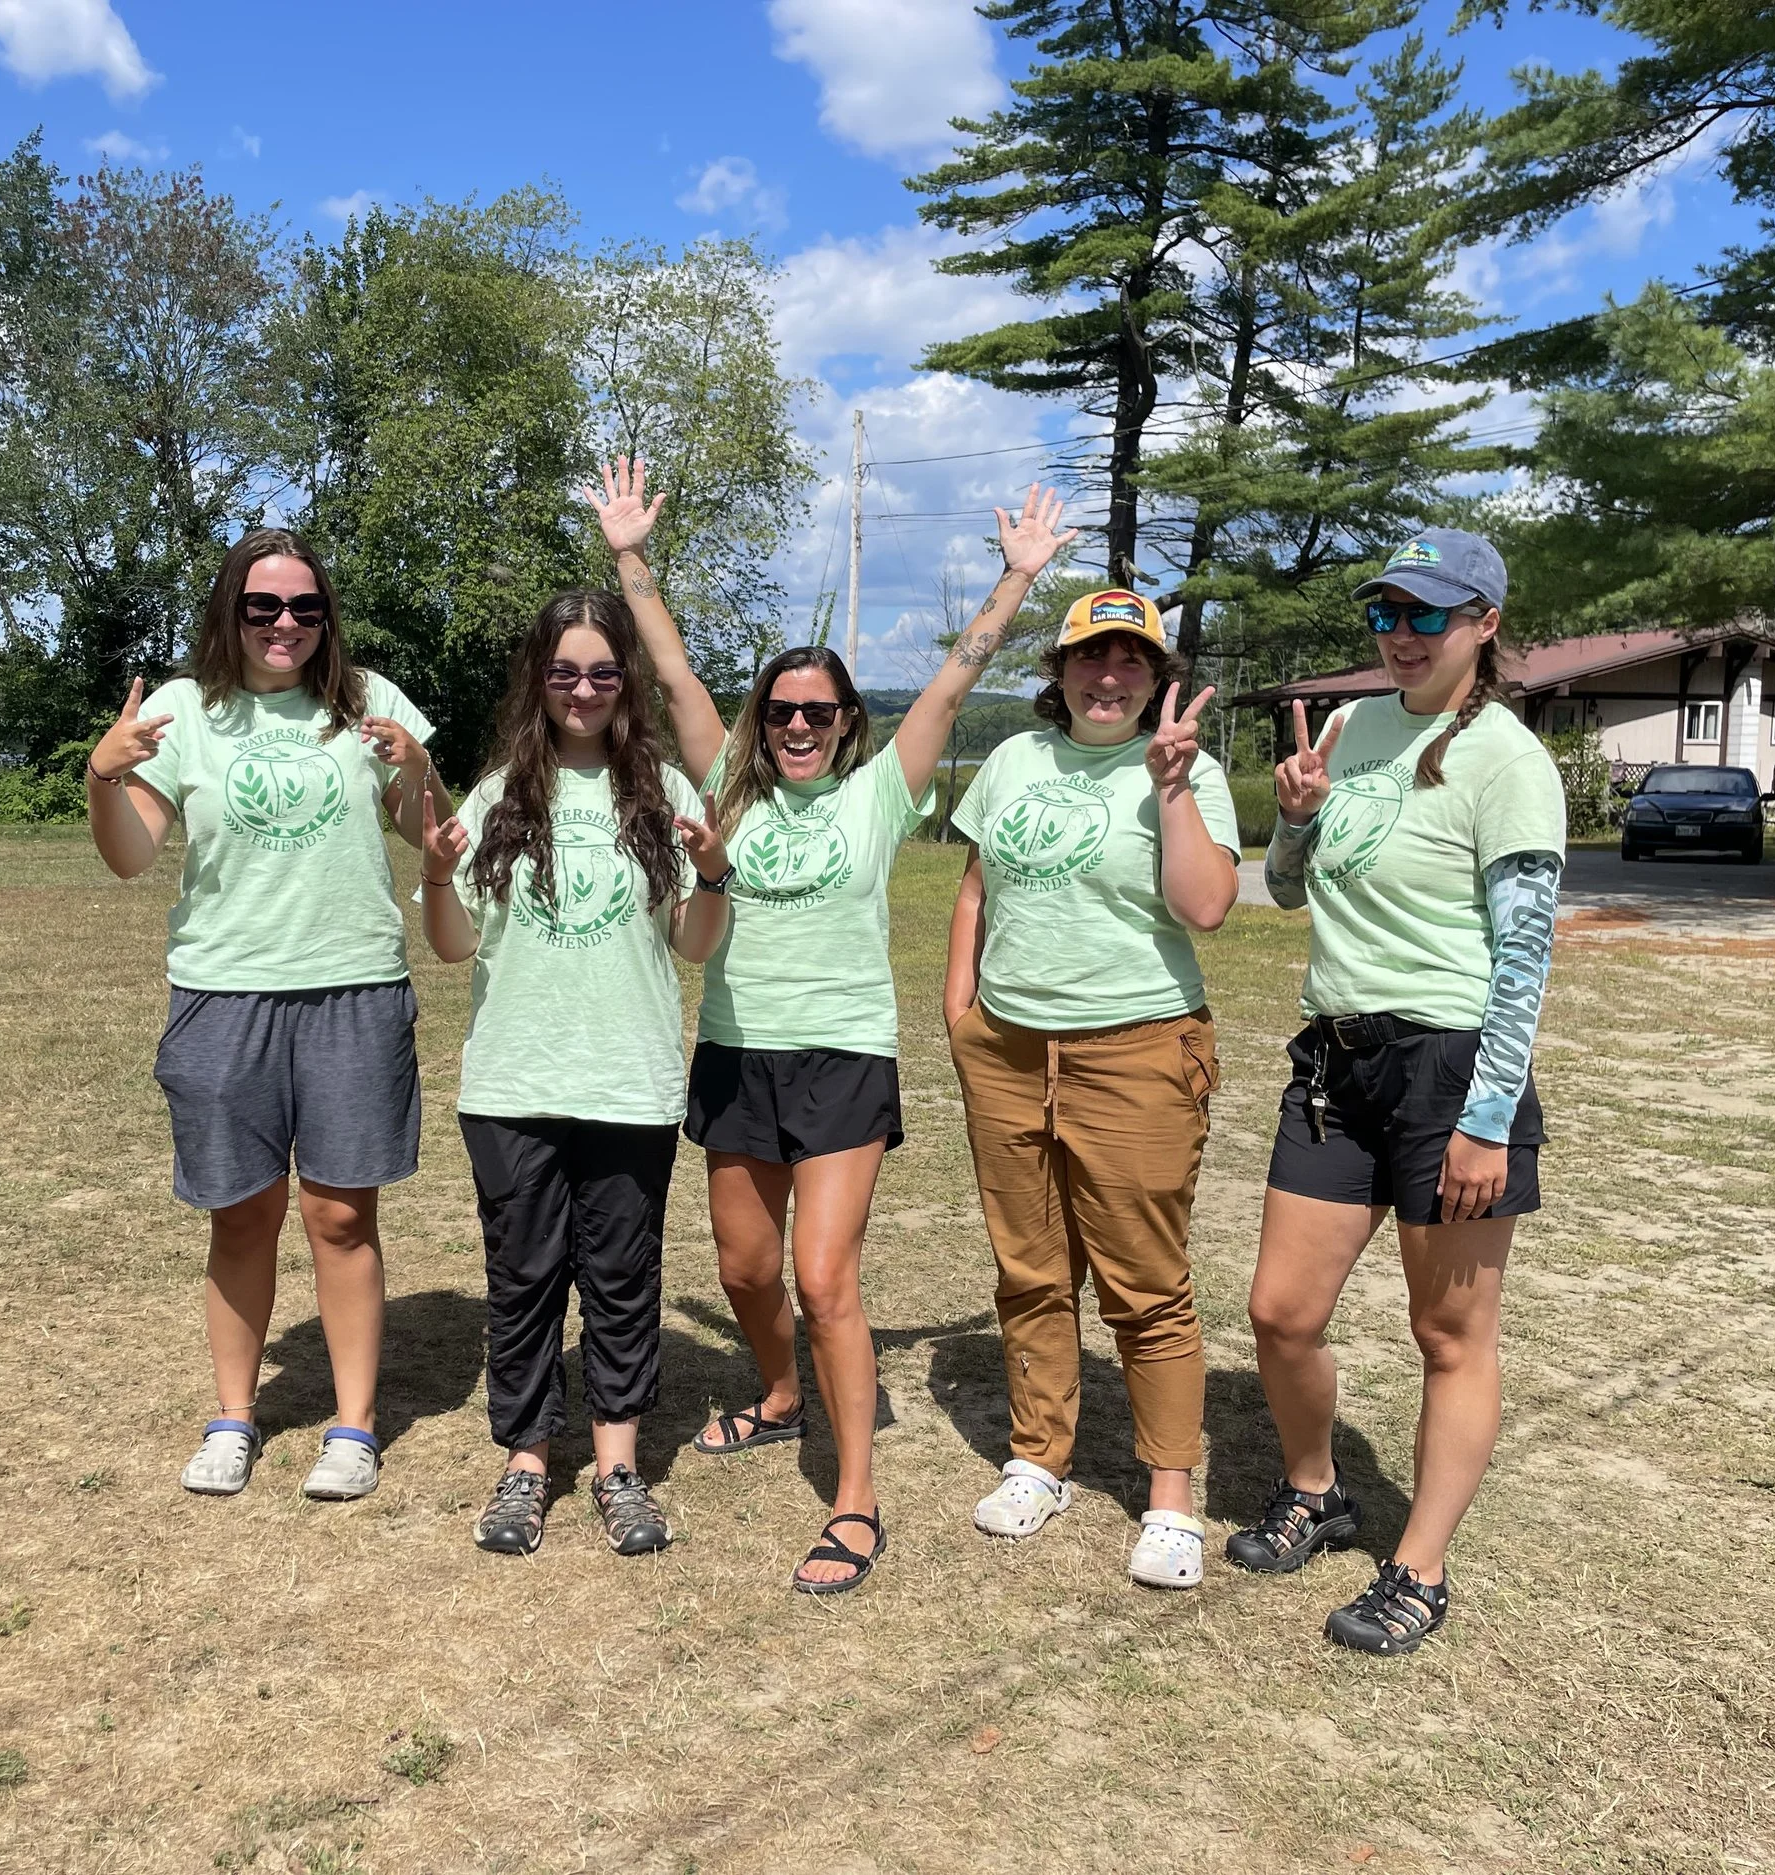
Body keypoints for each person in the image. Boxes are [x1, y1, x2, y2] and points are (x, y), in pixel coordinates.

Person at [590, 456, 1079, 1594]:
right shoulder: (727, 782)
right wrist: (629, 557)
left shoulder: (880, 793)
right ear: (763, 722)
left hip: (843, 1055)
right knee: (745, 1269)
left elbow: (954, 686)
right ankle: (775, 1394)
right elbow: (668, 672)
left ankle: (856, 1498)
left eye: (819, 711)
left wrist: (1013, 585)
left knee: (824, 1280)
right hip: (735, 1054)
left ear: (848, 721)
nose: (798, 725)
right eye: (783, 710)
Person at [1233, 527, 1565, 1658]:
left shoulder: (1509, 763)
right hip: (1336, 1060)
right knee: (1280, 1311)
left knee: (1448, 1334)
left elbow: (1523, 959)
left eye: (1429, 615)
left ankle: (1418, 1568)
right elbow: (1284, 893)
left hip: (1450, 1065)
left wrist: (1483, 1121)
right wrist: (1290, 815)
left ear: (1484, 625)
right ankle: (1316, 1491)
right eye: (1386, 613)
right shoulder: (1348, 727)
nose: (1401, 636)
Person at [85, 529, 442, 1505]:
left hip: (352, 989)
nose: (284, 625)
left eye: (304, 608)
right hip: (223, 992)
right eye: (262, 607)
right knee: (241, 1217)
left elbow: (429, 831)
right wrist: (101, 776)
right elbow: (129, 857)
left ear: (326, 618)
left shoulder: (370, 703)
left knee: (340, 1214)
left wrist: (417, 766)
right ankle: (233, 1420)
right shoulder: (181, 711)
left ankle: (353, 1429)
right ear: (229, 613)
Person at [418, 590, 731, 1559]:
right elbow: (452, 945)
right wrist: (434, 877)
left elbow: (692, 945)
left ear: (623, 682)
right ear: (538, 680)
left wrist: (714, 875)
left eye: (601, 672)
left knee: (622, 1281)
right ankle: (524, 1466)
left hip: (627, 1082)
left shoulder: (669, 794)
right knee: (523, 1283)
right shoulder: (501, 795)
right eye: (564, 672)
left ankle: (618, 1467)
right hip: (513, 1084)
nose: (583, 689)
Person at [942, 589, 1241, 1590]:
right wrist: (961, 1013)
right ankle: (1039, 1458)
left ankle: (1168, 1501)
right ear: (1059, 670)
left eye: (1129, 662)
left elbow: (1206, 908)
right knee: (1030, 1269)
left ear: (1156, 678)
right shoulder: (1015, 761)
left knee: (1143, 1283)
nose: (1106, 678)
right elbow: (976, 887)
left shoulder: (1188, 770)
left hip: (1138, 1049)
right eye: (1089, 658)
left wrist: (1170, 791)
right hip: (1010, 1047)